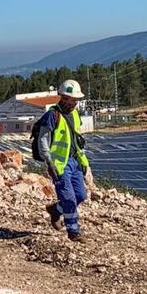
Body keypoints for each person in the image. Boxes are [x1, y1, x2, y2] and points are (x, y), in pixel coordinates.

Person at [39, 79, 92, 241]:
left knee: (81, 195)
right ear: (63, 97)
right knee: (69, 198)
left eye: (77, 99)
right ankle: (73, 231)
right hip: (59, 165)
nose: (76, 102)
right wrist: (49, 161)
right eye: (73, 99)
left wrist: (85, 164)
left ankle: (56, 210)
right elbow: (43, 139)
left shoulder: (75, 114)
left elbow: (77, 140)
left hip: (75, 162)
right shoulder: (52, 115)